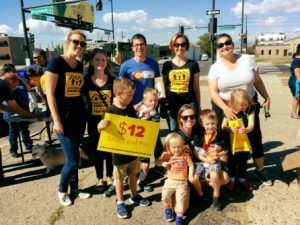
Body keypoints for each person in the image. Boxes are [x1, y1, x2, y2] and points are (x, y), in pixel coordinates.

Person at [208, 33, 272, 186]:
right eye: (220, 45)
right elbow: (213, 91)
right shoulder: (215, 68)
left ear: (233, 43)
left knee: (254, 136)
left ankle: (259, 170)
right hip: (225, 106)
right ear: (217, 48)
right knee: (227, 140)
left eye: (227, 42)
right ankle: (227, 174)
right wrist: (225, 108)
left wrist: (267, 97)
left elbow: (257, 80)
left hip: (248, 104)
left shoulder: (247, 59)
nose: (225, 46)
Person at [45, 29, 90, 207]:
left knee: (76, 158)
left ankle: (75, 189)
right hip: (63, 119)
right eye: (76, 42)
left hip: (78, 117)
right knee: (71, 160)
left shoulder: (79, 66)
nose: (79, 46)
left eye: (82, 44)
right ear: (68, 42)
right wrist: (56, 120)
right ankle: (62, 190)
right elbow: (50, 94)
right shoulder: (56, 63)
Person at [97, 77, 150, 219]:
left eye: (133, 95)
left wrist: (142, 121)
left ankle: (134, 195)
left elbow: (134, 125)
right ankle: (120, 202)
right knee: (119, 179)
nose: (132, 98)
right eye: (129, 95)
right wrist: (99, 127)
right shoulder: (110, 111)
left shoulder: (130, 108)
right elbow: (102, 130)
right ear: (119, 94)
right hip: (119, 155)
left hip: (132, 152)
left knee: (133, 175)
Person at [119, 33, 162, 192]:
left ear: (146, 45)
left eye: (141, 44)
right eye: (136, 45)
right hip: (133, 111)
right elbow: (120, 87)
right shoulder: (125, 66)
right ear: (132, 47)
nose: (139, 47)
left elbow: (158, 85)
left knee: (151, 141)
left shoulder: (153, 64)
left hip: (151, 111)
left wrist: (157, 102)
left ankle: (148, 173)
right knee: (134, 144)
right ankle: (133, 175)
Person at [82, 48, 115, 194]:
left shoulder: (113, 81)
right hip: (93, 123)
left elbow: (116, 102)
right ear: (92, 62)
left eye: (103, 59)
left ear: (107, 62)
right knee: (97, 152)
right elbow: (84, 104)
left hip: (110, 122)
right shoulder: (86, 81)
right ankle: (99, 178)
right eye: (97, 59)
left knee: (109, 152)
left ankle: (109, 176)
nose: (100, 62)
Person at [162, 33, 201, 132]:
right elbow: (164, 87)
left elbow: (196, 88)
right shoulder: (167, 65)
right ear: (172, 46)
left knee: (190, 135)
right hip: (172, 107)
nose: (180, 47)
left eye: (183, 44)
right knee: (175, 136)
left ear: (186, 46)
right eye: (176, 44)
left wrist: (199, 107)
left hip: (189, 106)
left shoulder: (193, 64)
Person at [195, 109, 229, 211]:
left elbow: (227, 151)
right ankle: (201, 193)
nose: (210, 126)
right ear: (202, 124)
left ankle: (216, 196)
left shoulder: (221, 135)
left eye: (213, 123)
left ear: (217, 122)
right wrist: (204, 158)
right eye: (207, 124)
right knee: (194, 178)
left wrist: (218, 154)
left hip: (215, 162)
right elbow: (196, 152)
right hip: (202, 162)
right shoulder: (199, 135)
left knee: (216, 176)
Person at [221, 89, 255, 192]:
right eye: (242, 105)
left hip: (244, 141)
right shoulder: (229, 111)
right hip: (232, 141)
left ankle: (242, 179)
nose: (244, 107)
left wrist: (247, 129)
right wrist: (230, 129)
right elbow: (223, 126)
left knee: (243, 160)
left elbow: (252, 124)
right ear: (234, 104)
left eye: (246, 104)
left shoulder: (250, 109)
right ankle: (231, 179)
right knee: (231, 160)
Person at [159, 133, 194, 225]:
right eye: (173, 147)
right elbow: (158, 162)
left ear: (183, 146)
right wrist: (162, 163)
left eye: (179, 147)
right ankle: (167, 209)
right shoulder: (167, 155)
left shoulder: (185, 155)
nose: (176, 149)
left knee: (181, 202)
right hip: (169, 181)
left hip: (182, 182)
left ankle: (179, 217)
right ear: (169, 147)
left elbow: (191, 165)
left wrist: (190, 176)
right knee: (164, 198)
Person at [2, 65, 33, 158]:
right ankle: (13, 149)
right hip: (12, 111)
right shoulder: (5, 84)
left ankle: (29, 146)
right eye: (13, 71)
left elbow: (29, 88)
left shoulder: (18, 80)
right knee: (13, 131)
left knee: (24, 129)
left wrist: (20, 78)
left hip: (23, 108)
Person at [174, 104, 203, 200]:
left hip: (197, 164)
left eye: (192, 116)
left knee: (224, 178)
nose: (189, 119)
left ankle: (200, 193)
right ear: (180, 119)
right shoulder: (175, 135)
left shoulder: (199, 132)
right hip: (182, 167)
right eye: (185, 117)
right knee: (179, 208)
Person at [136, 87, 160, 191]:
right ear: (144, 101)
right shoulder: (137, 111)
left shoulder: (156, 114)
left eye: (155, 100)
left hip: (147, 145)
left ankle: (141, 182)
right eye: (150, 100)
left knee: (145, 166)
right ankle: (133, 179)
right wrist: (142, 117)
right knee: (134, 166)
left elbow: (152, 126)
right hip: (135, 144)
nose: (153, 103)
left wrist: (147, 117)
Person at [288, 45, 300, 119]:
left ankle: (297, 113)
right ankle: (294, 113)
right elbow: (297, 72)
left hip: (295, 80)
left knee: (298, 97)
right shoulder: (297, 61)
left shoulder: (296, 60)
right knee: (297, 97)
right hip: (296, 81)